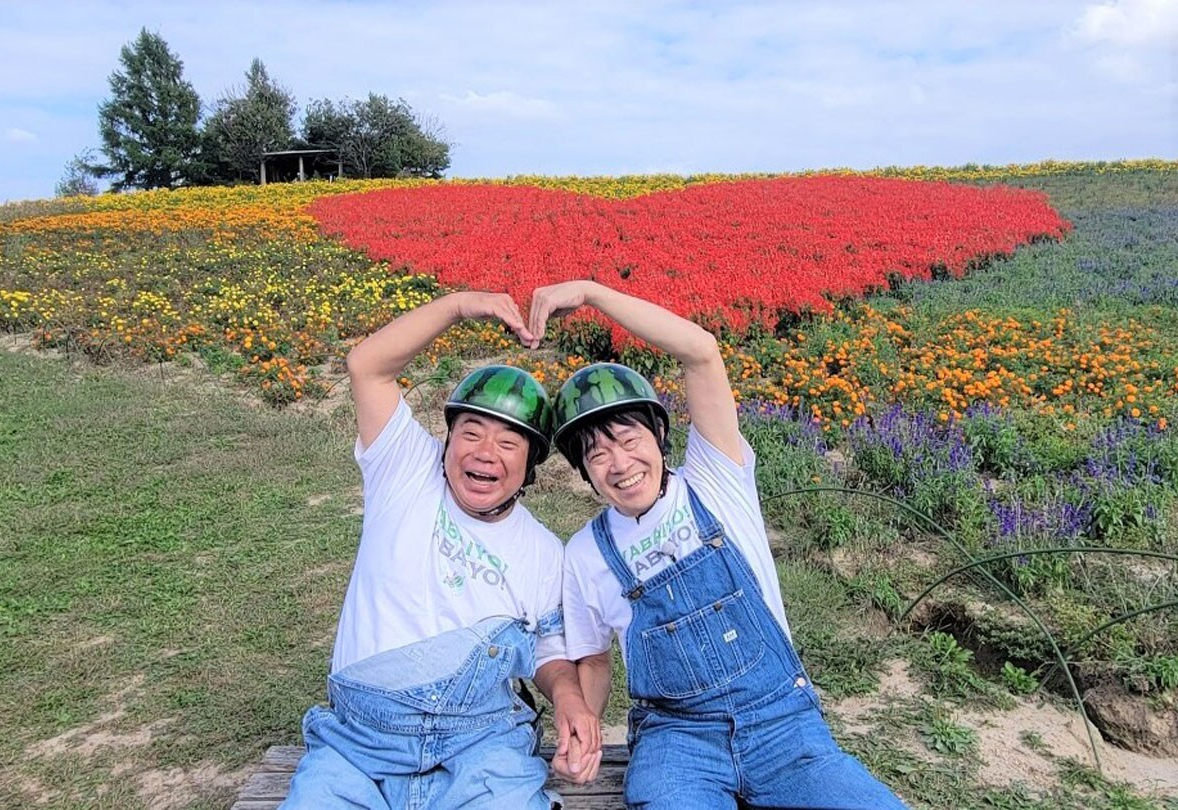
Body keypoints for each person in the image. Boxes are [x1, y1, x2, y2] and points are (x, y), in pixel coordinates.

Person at [527, 280, 905, 810]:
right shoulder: (586, 553)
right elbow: (592, 659)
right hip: (677, 741)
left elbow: (701, 349)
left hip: (782, 726)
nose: (619, 463)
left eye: (629, 439)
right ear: (585, 472)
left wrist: (592, 294)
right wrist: (585, 728)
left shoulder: (715, 478)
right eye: (597, 453)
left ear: (659, 438)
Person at [280, 290, 601, 810]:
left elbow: (547, 646)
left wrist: (568, 698)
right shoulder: (405, 471)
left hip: (481, 740)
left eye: (508, 444)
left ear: (530, 467)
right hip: (362, 743)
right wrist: (457, 306)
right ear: (446, 441)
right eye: (471, 433)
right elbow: (366, 366)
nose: (484, 453)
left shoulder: (543, 551)